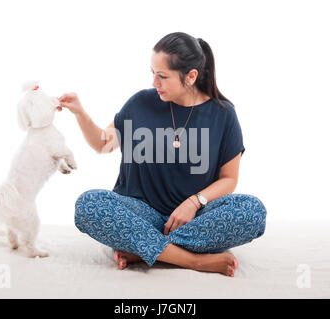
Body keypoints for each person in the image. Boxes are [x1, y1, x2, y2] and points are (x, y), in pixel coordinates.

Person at [58, 32, 267, 277]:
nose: (155, 83)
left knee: (253, 212)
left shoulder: (223, 114)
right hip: (140, 213)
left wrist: (193, 203)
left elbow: (229, 178)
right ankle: (193, 260)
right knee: (88, 205)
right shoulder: (140, 103)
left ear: (190, 77)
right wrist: (80, 113)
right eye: (152, 73)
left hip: (194, 219)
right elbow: (103, 144)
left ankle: (142, 249)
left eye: (163, 76)